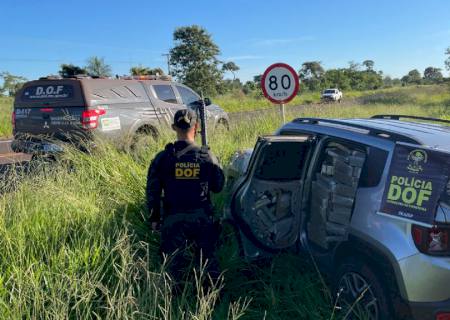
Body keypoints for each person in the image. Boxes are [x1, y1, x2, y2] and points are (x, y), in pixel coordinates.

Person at [146, 108, 225, 285]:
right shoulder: (207, 156)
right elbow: (218, 187)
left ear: (174, 127)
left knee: (172, 267)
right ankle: (211, 301)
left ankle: (174, 303)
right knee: (208, 263)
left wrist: (154, 218)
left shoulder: (163, 158)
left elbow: (152, 191)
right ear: (196, 127)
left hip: (173, 218)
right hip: (202, 218)